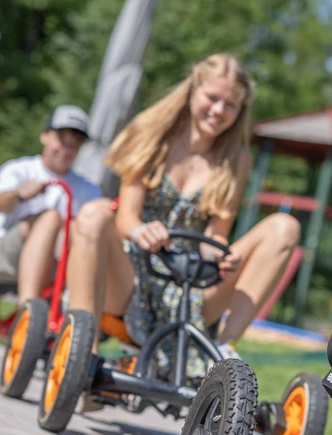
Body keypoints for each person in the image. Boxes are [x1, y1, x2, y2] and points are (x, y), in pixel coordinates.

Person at [64, 53, 300, 366]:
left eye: (230, 105)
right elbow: (126, 216)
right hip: (133, 275)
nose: (218, 111)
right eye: (212, 98)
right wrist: (141, 231)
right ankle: (82, 355)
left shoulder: (236, 158)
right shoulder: (153, 133)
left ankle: (225, 351)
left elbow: (215, 236)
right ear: (192, 91)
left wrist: (220, 256)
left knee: (286, 227)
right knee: (95, 212)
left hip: (189, 285)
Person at [0, 105, 102, 304]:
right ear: (45, 136)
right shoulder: (19, 169)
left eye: (74, 144)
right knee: (50, 218)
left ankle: (82, 309)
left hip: (55, 270)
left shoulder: (90, 190)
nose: (66, 150)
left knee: (82, 228)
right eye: (61, 140)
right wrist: (18, 194)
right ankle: (28, 308)